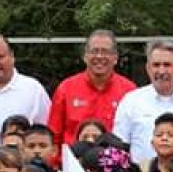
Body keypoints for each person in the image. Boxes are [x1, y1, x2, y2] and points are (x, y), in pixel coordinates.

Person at [47, 29, 137, 157]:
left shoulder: (129, 91)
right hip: (75, 167)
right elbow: (54, 136)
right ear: (85, 56)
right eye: (94, 51)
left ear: (115, 58)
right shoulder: (66, 89)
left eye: (105, 52)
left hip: (115, 170)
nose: (99, 56)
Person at [113, 40, 173, 161]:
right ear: (148, 68)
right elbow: (118, 146)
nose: (161, 71)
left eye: (167, 65)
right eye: (156, 65)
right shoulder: (131, 101)